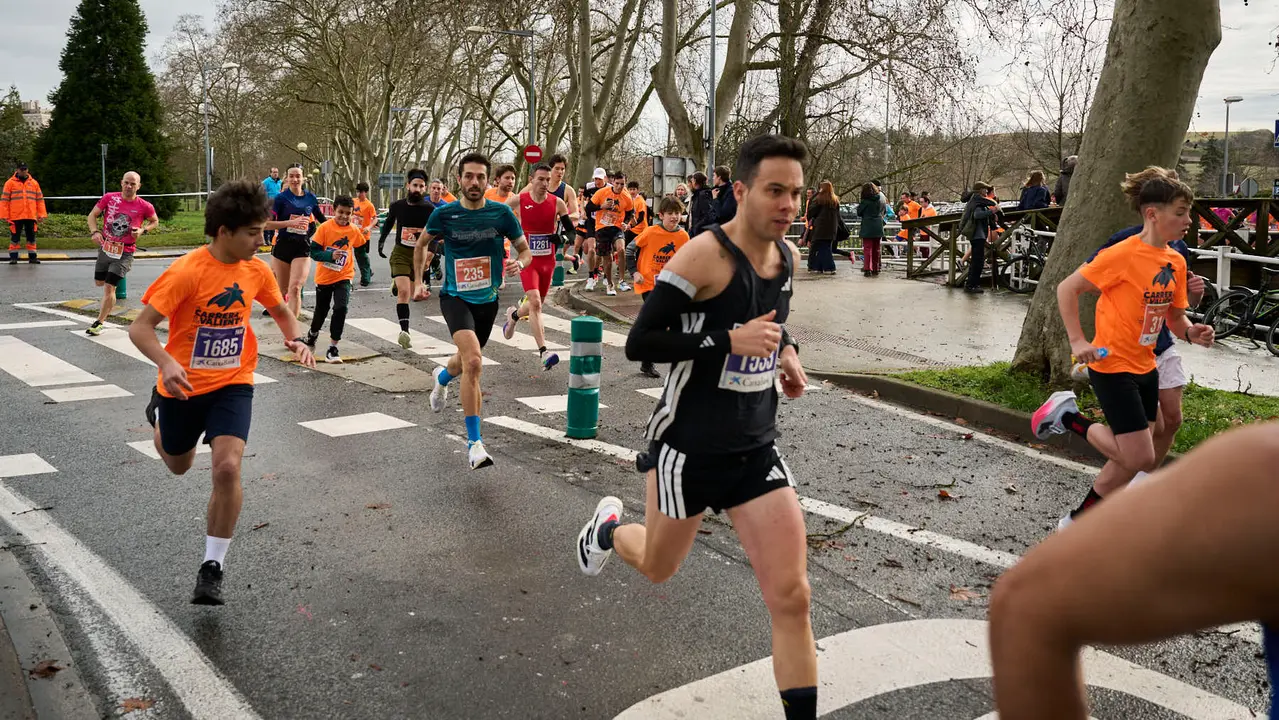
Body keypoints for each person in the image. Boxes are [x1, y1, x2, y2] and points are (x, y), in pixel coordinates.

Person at [576, 134, 816, 720]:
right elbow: (641, 342)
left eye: (796, 193)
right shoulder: (702, 257)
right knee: (660, 566)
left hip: (756, 448)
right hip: (688, 448)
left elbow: (773, 325)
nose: (787, 205)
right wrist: (726, 341)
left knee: (793, 596)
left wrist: (786, 353)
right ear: (740, 191)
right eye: (774, 190)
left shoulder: (787, 261)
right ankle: (607, 531)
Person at [988, 420, 1279, 720]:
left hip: (1141, 378)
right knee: (1138, 455)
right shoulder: (1267, 471)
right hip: (1121, 374)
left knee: (1166, 422)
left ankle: (1089, 509)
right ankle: (1069, 419)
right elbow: (1028, 604)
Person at [127, 179, 315, 605]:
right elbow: (140, 329)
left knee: (227, 468)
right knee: (178, 464)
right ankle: (158, 420)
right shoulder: (187, 271)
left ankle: (212, 566)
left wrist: (296, 339)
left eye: (263, 231)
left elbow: (280, 308)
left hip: (234, 382)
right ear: (224, 231)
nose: (262, 240)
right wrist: (167, 362)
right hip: (182, 386)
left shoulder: (256, 269)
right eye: (253, 233)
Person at [1031, 167, 1215, 528]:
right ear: (1152, 214)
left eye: (1188, 213)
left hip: (1145, 365)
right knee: (1141, 457)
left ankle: (1076, 523)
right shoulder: (1122, 253)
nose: (1188, 221)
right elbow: (1067, 288)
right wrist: (1078, 341)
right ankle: (1068, 417)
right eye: (1181, 213)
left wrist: (1193, 333)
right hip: (1111, 365)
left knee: (1134, 457)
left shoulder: (1175, 260)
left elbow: (1175, 319)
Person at [414, 153, 531, 470]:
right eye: (469, 176)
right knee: (475, 361)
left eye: (480, 176)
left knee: (466, 361)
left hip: (487, 300)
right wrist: (418, 282)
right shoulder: (446, 215)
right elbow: (421, 243)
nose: (474, 182)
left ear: (487, 180)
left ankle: (441, 378)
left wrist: (518, 262)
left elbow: (525, 250)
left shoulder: (501, 214)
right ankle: (475, 444)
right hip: (455, 298)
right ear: (459, 179)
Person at [501, 162, 575, 371]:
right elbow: (499, 215)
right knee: (535, 302)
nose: (545, 183)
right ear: (531, 180)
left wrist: (559, 237)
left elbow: (571, 233)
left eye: (547, 179)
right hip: (528, 261)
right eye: (540, 179)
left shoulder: (557, 203)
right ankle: (544, 352)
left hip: (547, 262)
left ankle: (514, 316)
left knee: (537, 304)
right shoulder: (519, 200)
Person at [85, 172, 158, 335]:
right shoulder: (110, 198)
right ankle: (105, 309)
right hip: (106, 247)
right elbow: (92, 215)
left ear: (138, 186)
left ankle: (99, 322)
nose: (129, 186)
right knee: (100, 282)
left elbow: (155, 221)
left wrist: (142, 230)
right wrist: (94, 232)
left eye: (133, 184)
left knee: (110, 287)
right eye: (126, 183)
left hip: (125, 251)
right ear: (121, 183)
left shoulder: (144, 205)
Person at [625, 195, 690, 378]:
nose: (674, 217)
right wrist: (634, 272)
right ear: (661, 215)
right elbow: (630, 250)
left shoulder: (683, 236)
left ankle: (646, 346)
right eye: (670, 213)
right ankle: (648, 361)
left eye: (677, 213)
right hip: (648, 283)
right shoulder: (651, 232)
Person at [305, 194, 367, 363]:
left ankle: (333, 347)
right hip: (325, 277)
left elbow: (361, 251)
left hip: (344, 276)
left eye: (348, 213)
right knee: (321, 311)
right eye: (341, 212)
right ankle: (313, 332)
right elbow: (314, 252)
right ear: (334, 210)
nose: (344, 216)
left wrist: (366, 272)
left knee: (341, 308)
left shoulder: (354, 230)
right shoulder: (324, 228)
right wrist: (330, 255)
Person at [377, 169, 434, 349]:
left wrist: (431, 252)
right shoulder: (397, 206)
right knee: (403, 293)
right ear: (408, 185)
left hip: (419, 256)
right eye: (414, 185)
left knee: (411, 295)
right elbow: (387, 224)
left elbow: (436, 233)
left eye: (421, 186)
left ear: (425, 188)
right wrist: (381, 241)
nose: (417, 189)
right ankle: (405, 331)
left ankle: (397, 281)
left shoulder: (429, 209)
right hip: (401, 252)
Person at [262, 165, 325, 318]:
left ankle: (293, 333)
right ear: (287, 179)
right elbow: (266, 224)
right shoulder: (280, 199)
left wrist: (341, 229)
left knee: (295, 288)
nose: (295, 179)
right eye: (291, 176)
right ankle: (284, 320)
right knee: (283, 292)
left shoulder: (310, 198)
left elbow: (322, 221)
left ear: (303, 178)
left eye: (298, 176)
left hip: (302, 246)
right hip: (283, 246)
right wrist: (289, 224)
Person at [592, 170, 635, 296]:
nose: (620, 187)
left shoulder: (626, 197)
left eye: (622, 184)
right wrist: (602, 206)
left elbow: (630, 213)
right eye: (617, 183)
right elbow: (589, 207)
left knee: (621, 249)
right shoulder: (602, 192)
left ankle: (621, 280)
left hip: (617, 227)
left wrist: (626, 223)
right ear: (612, 182)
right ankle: (609, 284)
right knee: (608, 258)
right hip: (602, 227)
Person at [1, 162, 47, 264]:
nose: (23, 171)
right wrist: (4, 215)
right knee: (15, 238)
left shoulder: (34, 183)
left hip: (30, 215)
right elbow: (4, 200)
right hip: (15, 215)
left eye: (25, 169)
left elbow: (39, 200)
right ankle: (13, 258)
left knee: (31, 237)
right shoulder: (10, 183)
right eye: (21, 169)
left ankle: (32, 257)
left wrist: (41, 214)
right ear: (17, 170)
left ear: (27, 170)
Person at [958, 181, 999, 294]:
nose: (987, 191)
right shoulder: (977, 201)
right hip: (977, 234)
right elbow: (977, 215)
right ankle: (972, 285)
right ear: (981, 190)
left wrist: (990, 214)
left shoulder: (976, 200)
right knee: (977, 261)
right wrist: (992, 211)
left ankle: (971, 284)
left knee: (977, 260)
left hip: (977, 234)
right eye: (985, 189)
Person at [580, 167, 609, 290]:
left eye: (600, 179)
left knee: (602, 252)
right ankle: (591, 277)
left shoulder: (610, 188)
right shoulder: (589, 187)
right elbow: (583, 199)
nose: (597, 181)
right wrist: (582, 210)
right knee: (591, 250)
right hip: (592, 221)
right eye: (596, 178)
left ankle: (598, 272)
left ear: (605, 178)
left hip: (604, 222)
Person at [805, 181, 841, 274]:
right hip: (832, 228)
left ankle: (827, 267)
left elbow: (811, 212)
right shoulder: (835, 200)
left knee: (817, 246)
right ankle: (819, 267)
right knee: (825, 246)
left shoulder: (818, 199)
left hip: (820, 227)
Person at [856, 183, 885, 276]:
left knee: (867, 248)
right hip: (878, 225)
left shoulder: (865, 202)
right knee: (876, 249)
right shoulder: (880, 199)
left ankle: (868, 268)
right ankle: (876, 268)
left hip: (868, 225)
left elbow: (859, 212)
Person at [352, 182, 377, 287]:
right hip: (352, 233)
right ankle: (368, 271)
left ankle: (365, 278)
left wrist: (369, 227)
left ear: (365, 192)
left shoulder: (369, 205)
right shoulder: (353, 201)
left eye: (361, 192)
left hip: (363, 235)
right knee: (356, 255)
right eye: (357, 192)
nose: (359, 194)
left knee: (361, 255)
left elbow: (375, 219)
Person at [894, 191, 921, 258]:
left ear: (908, 197)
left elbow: (921, 209)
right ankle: (896, 255)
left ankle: (919, 254)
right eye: (902, 198)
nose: (902, 199)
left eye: (904, 198)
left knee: (911, 242)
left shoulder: (915, 204)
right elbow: (901, 214)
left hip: (912, 226)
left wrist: (919, 219)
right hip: (905, 227)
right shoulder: (904, 204)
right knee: (908, 242)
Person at [687, 171, 715, 236]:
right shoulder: (697, 194)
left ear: (695, 181)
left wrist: (696, 227)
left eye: (692, 180)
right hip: (695, 231)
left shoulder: (703, 195)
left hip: (699, 232)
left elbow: (707, 215)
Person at [261, 167, 282, 248]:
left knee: (275, 222)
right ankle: (266, 239)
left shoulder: (280, 182)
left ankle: (273, 238)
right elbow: (261, 192)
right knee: (268, 222)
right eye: (274, 172)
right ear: (270, 173)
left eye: (277, 172)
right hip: (269, 205)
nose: (275, 174)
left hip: (278, 204)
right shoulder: (266, 182)